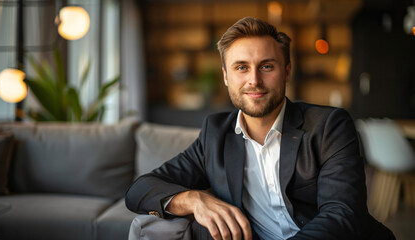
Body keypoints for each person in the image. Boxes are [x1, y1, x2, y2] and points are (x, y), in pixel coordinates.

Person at [126, 17, 394, 240]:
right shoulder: (215, 133)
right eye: (241, 67)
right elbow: (140, 189)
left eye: (267, 66)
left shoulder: (328, 126)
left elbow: (342, 214)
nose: (254, 80)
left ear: (287, 71)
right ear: (225, 76)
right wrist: (195, 200)